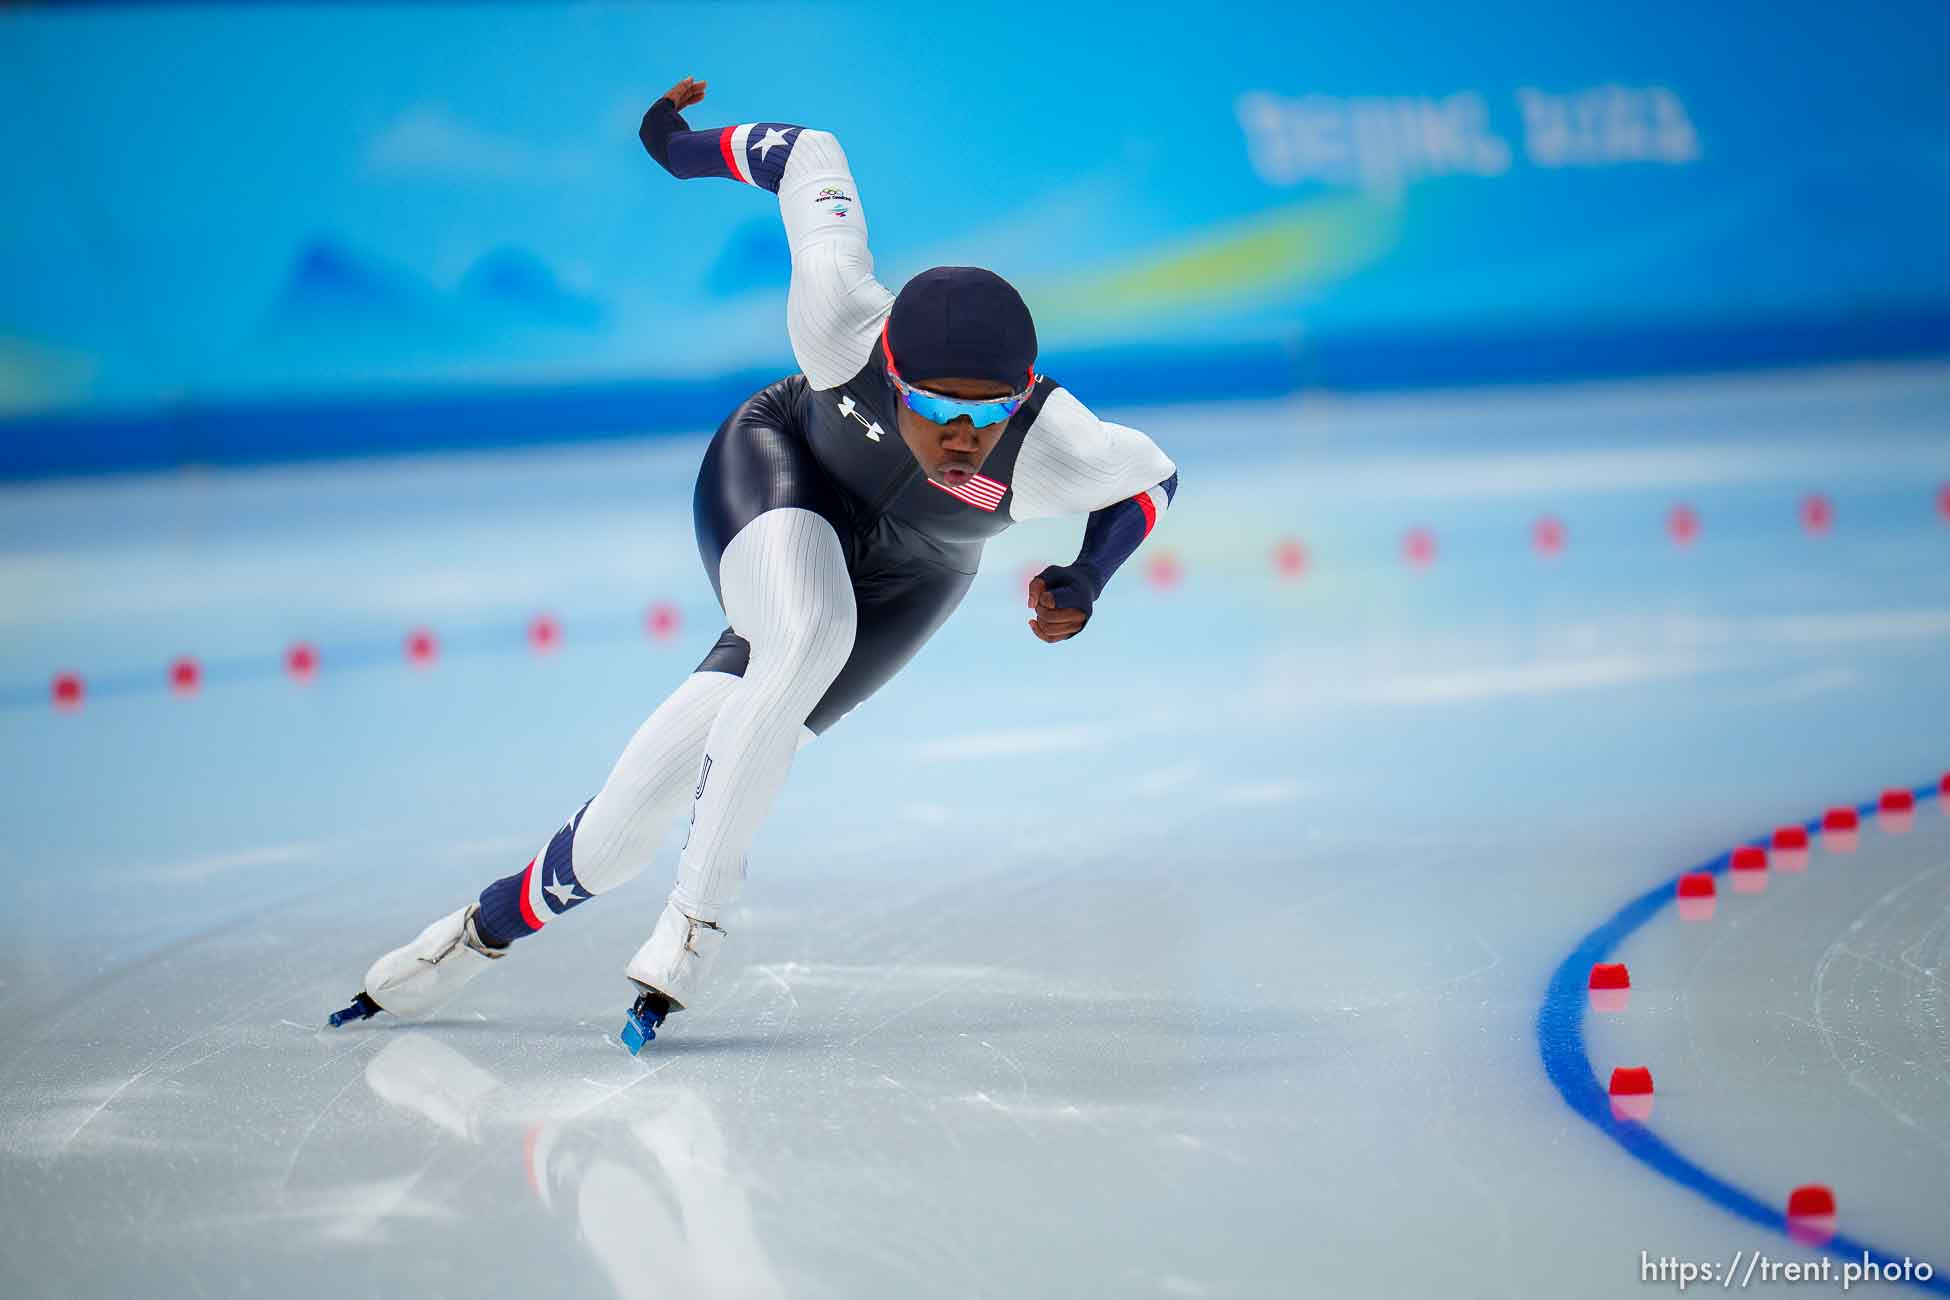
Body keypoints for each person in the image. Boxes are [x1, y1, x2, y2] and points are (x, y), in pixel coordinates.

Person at [329, 76, 1180, 1053]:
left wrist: (1086, 576)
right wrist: (676, 148)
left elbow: (1149, 481)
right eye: (935, 404)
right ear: (888, 369)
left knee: (622, 829)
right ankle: (696, 924)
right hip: (782, 474)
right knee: (810, 629)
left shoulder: (1061, 443)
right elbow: (806, 157)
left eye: (987, 412)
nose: (959, 434)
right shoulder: (838, 320)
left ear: (1023, 393)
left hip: (917, 576)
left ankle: (469, 936)